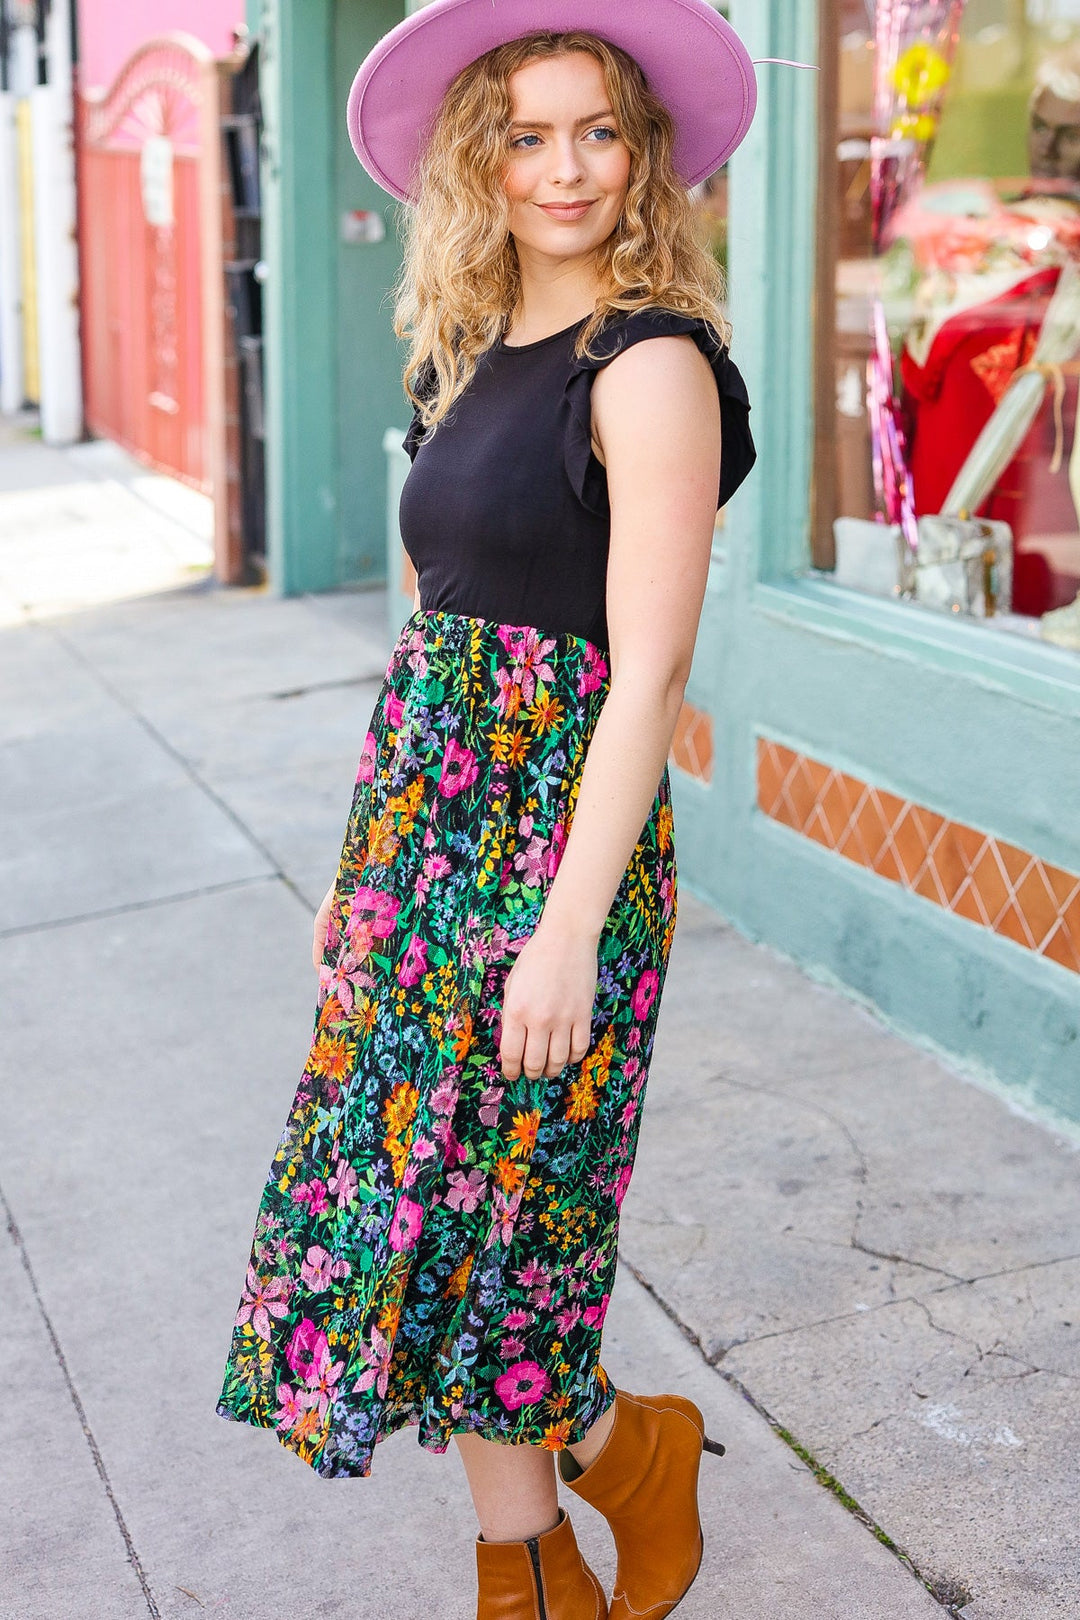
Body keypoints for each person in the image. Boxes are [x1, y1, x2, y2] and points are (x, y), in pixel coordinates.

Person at [216, 2, 757, 1614]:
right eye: (527, 133)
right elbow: (442, 634)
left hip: (556, 844)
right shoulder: (459, 356)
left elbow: (646, 675)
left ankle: (617, 1465)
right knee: (400, 1223)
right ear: (480, 156)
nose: (566, 166)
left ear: (643, 153)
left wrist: (569, 925)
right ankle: (535, 1559)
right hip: (421, 841)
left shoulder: (649, 363)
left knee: (512, 1225)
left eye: (598, 130)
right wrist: (357, 869)